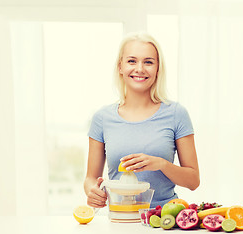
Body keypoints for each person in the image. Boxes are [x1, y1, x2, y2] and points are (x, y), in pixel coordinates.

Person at [84, 32, 199, 208]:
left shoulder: (176, 114)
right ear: (120, 67)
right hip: (120, 218)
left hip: (165, 220)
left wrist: (161, 164)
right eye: (132, 61)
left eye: (148, 62)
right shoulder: (102, 118)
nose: (140, 69)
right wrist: (93, 192)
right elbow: (91, 178)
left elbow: (193, 181)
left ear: (158, 69)